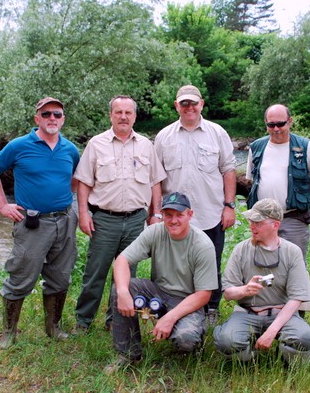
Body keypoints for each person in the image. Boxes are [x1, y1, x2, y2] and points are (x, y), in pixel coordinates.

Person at [0, 97, 80, 349]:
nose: (52, 119)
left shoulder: (70, 149)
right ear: (37, 118)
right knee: (21, 277)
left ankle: (53, 327)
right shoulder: (19, 146)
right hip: (33, 224)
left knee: (60, 277)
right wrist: (3, 206)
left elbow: (75, 180)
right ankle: (8, 333)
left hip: (65, 220)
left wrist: (63, 200)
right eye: (46, 114)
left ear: (63, 119)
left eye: (57, 114)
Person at [73, 95, 166, 332]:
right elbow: (83, 182)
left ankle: (115, 321)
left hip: (136, 219)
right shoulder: (96, 144)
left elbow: (155, 182)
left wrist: (156, 214)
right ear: (111, 115)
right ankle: (83, 321)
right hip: (104, 219)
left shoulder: (146, 145)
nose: (123, 116)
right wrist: (83, 214)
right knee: (95, 273)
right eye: (118, 112)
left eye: (128, 112)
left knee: (126, 276)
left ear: (135, 116)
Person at [105, 192, 218, 373]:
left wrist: (170, 317)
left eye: (179, 215)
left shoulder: (202, 245)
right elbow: (122, 260)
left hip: (188, 299)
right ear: (162, 215)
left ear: (190, 215)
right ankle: (128, 354)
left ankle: (191, 345)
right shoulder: (155, 232)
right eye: (168, 215)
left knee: (186, 339)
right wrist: (123, 292)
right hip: (158, 291)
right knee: (123, 287)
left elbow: (204, 294)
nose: (173, 221)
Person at [154, 85, 236, 325]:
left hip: (210, 213)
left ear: (201, 104)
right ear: (176, 105)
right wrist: (157, 214)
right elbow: (156, 178)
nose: (189, 107)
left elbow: (228, 169)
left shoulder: (217, 133)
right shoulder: (163, 137)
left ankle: (211, 309)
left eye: (193, 103)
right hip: (174, 219)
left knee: (211, 264)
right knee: (172, 267)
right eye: (184, 103)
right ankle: (171, 308)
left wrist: (229, 205)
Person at [213, 198, 310, 366]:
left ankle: (287, 361)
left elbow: (295, 299)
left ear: (275, 225)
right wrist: (244, 290)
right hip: (247, 313)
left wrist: (271, 331)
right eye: (251, 221)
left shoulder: (292, 252)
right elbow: (228, 293)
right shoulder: (241, 249)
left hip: (282, 313)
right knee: (226, 341)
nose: (252, 226)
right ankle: (247, 363)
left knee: (304, 339)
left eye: (258, 222)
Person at [246, 104, 310, 312]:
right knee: (263, 262)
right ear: (266, 124)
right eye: (271, 124)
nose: (276, 128)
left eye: (281, 123)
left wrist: (294, 194)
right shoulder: (256, 147)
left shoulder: (305, 147)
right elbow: (252, 179)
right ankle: (267, 307)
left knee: (295, 264)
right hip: (262, 219)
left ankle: (298, 312)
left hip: (293, 216)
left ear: (290, 121)